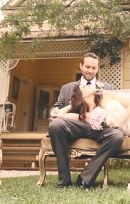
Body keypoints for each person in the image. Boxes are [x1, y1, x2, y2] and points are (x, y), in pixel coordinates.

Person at [48, 52, 121, 189]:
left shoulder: (108, 88)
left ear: (98, 69)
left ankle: (85, 178)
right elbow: (57, 107)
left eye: (94, 68)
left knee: (116, 136)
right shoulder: (67, 88)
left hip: (97, 127)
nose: (90, 71)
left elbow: (111, 110)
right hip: (73, 125)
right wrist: (54, 111)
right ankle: (64, 180)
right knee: (56, 125)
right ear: (81, 66)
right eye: (87, 67)